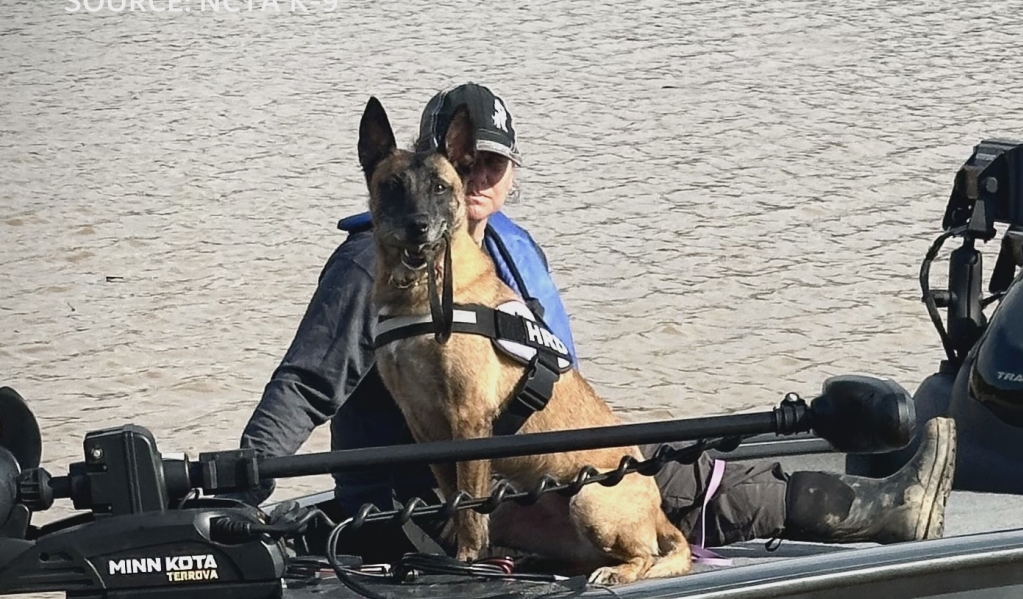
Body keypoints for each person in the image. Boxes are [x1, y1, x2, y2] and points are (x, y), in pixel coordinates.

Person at [239, 82, 954, 548]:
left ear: (505, 172)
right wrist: (243, 480)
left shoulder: (507, 256)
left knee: (676, 463)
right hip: (437, 496)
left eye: (493, 165)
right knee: (676, 482)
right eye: (465, 164)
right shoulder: (380, 261)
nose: (479, 179)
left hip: (532, 461)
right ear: (430, 163)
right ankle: (883, 510)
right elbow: (305, 383)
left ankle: (869, 504)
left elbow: (555, 383)